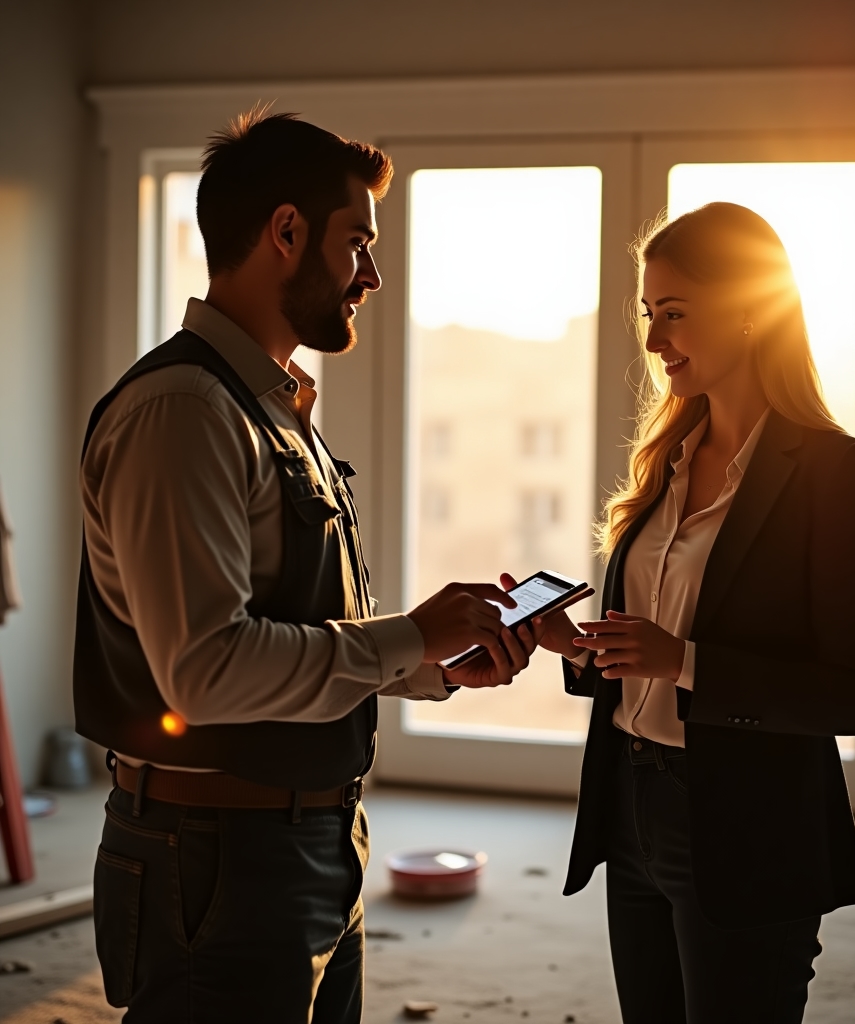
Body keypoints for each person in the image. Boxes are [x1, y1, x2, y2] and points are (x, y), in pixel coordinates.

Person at [75, 109, 536, 1023]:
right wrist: (408, 634)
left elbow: (293, 625)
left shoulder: (271, 411)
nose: (372, 274)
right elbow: (205, 671)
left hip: (305, 842)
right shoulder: (185, 412)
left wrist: (432, 664)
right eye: (357, 242)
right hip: (219, 855)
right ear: (286, 232)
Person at [523, 202, 855, 1023]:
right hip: (633, 803)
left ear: (751, 310)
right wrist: (580, 648)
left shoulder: (837, 473)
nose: (655, 340)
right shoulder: (665, 463)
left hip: (747, 826)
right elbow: (647, 653)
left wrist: (681, 661)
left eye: (675, 313)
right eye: (649, 314)